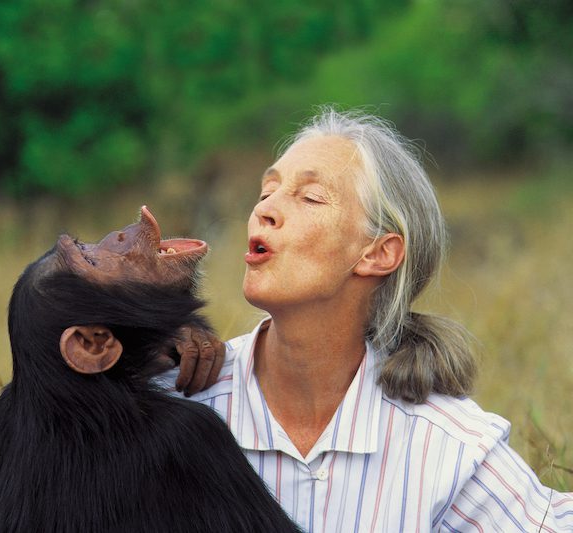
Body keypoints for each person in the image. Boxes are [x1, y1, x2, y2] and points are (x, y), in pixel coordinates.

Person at [159, 108, 573, 531]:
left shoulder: (449, 449)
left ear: (378, 253)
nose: (264, 210)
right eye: (267, 192)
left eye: (310, 197)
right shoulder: (172, 403)